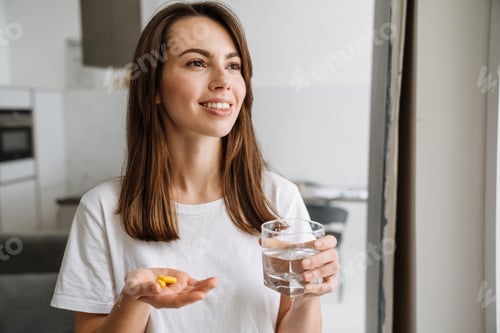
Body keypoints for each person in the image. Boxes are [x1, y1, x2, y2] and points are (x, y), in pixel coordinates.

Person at [51, 1, 339, 332]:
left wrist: (310, 292)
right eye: (197, 62)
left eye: (234, 66)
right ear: (154, 87)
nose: (223, 81)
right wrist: (134, 300)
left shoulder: (278, 198)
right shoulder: (102, 208)